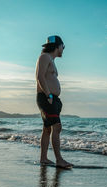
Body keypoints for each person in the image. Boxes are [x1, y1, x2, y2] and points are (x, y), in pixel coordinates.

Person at [35, 35, 72, 168]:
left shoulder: (50, 59)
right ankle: (59, 160)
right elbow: (39, 77)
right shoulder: (44, 57)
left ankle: (44, 158)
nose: (63, 49)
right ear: (57, 46)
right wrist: (49, 95)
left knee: (47, 129)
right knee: (57, 127)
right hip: (47, 97)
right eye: (63, 47)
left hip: (51, 98)